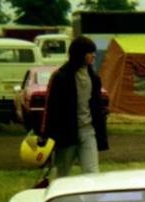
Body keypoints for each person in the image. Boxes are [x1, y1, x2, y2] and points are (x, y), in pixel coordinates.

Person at [40, 35, 108, 178]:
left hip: (88, 131)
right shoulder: (60, 77)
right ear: (81, 54)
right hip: (67, 133)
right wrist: (46, 135)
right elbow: (51, 108)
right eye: (90, 52)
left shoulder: (94, 78)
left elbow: (95, 104)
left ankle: (91, 199)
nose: (94, 56)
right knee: (63, 175)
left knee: (92, 174)